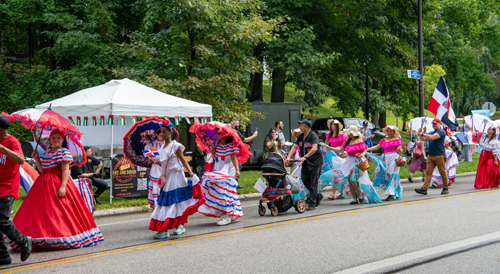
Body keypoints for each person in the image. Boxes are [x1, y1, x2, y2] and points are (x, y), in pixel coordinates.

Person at [13, 129, 103, 249]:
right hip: (43, 184)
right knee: (43, 211)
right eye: (53, 137)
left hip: (57, 183)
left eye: (58, 137)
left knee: (59, 211)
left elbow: (65, 170)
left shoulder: (64, 152)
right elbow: (42, 170)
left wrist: (63, 186)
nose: (55, 140)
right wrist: (36, 158)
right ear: (49, 139)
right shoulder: (47, 152)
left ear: (62, 140)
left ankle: (61, 235)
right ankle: (44, 235)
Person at [149, 124, 205, 239]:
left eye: (164, 132)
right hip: (167, 177)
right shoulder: (161, 149)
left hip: (177, 176)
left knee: (175, 201)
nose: (162, 135)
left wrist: (191, 173)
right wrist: (155, 161)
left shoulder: (176, 146)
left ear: (171, 133)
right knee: (167, 201)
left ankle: (177, 226)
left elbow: (183, 161)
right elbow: (163, 164)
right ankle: (168, 228)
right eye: (161, 133)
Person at [0, 114, 31, 264]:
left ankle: (24, 241)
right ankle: (3, 255)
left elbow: (20, 159)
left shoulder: (12, 142)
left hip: (7, 186)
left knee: (1, 219)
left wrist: (1, 148)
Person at [198, 129, 246, 225]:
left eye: (219, 133)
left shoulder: (230, 146)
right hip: (217, 170)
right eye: (217, 133)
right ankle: (225, 214)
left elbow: (233, 158)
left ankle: (226, 216)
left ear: (225, 135)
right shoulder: (215, 144)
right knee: (217, 192)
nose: (217, 135)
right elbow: (211, 154)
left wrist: (237, 170)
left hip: (226, 171)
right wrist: (210, 153)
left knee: (224, 193)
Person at [328, 125, 382, 204]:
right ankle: (354, 199)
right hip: (348, 162)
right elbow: (340, 148)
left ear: (352, 134)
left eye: (349, 133)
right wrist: (329, 148)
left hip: (358, 162)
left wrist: (361, 155)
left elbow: (364, 150)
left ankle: (360, 194)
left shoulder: (359, 141)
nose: (348, 134)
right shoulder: (347, 142)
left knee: (352, 179)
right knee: (350, 181)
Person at [285, 120, 323, 211]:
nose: (299, 127)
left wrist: (305, 156)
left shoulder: (313, 136)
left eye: (301, 126)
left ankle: (312, 203)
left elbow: (314, 148)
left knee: (313, 182)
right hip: (306, 161)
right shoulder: (300, 136)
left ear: (306, 127)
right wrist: (288, 157)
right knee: (305, 179)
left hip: (315, 162)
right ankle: (317, 195)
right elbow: (294, 147)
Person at [367, 126, 404, 201]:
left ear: (394, 132)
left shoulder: (397, 140)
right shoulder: (383, 140)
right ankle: (397, 191)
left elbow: (400, 149)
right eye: (388, 131)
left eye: (391, 131)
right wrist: (367, 149)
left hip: (394, 158)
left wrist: (399, 149)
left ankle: (391, 194)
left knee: (392, 174)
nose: (389, 133)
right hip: (385, 158)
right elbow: (377, 147)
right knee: (387, 175)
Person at [414, 119, 449, 195]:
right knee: (428, 172)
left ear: (439, 124)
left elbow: (433, 137)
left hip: (439, 155)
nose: (434, 125)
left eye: (436, 124)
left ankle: (445, 188)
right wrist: (419, 134)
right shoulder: (431, 132)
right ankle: (424, 188)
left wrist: (422, 134)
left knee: (442, 172)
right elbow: (424, 139)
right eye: (433, 124)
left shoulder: (441, 132)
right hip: (431, 155)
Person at [318, 119, 347, 200]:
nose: (332, 126)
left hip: (340, 156)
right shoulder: (329, 135)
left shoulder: (343, 136)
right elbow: (325, 145)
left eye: (334, 124)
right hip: (331, 156)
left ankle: (339, 192)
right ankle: (333, 193)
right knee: (333, 173)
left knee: (340, 174)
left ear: (337, 126)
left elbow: (344, 147)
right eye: (331, 124)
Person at [143, 127, 165, 208]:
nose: (162, 137)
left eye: (164, 135)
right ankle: (157, 207)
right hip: (156, 170)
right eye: (161, 135)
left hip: (164, 168)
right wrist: (151, 155)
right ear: (156, 135)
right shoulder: (150, 145)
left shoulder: (167, 144)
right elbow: (148, 161)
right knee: (156, 187)